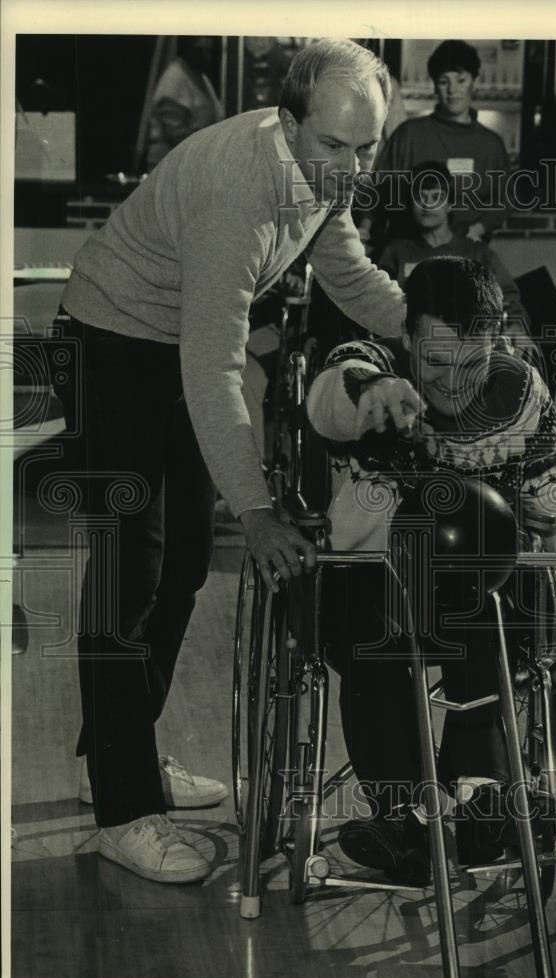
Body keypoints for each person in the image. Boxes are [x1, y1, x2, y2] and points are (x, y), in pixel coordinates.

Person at [53, 38, 407, 884]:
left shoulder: (324, 175)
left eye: (368, 150)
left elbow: (347, 273)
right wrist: (253, 509)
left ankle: (122, 748)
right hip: (111, 342)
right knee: (130, 572)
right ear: (289, 125)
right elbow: (216, 367)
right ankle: (124, 809)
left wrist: (430, 330)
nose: (352, 170)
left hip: (168, 344)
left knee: (179, 571)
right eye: (334, 148)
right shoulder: (238, 191)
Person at [306, 256, 556, 883]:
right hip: (378, 584)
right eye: (437, 362)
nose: (452, 384)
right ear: (409, 335)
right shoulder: (371, 365)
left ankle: (486, 804)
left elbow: (555, 486)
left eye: (472, 363)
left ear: (497, 341)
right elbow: (326, 402)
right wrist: (369, 388)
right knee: (378, 641)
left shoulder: (520, 386)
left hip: (483, 589)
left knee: (496, 617)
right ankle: (401, 823)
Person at [360, 40, 511, 249]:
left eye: (461, 80)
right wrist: (365, 230)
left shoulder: (490, 145)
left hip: (466, 251)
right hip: (409, 251)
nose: (453, 90)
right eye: (444, 81)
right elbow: (379, 191)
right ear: (434, 86)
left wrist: (480, 229)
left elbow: (503, 201)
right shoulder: (409, 134)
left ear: (474, 82)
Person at [376, 160, 526, 325]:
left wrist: (516, 327)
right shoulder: (396, 252)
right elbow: (376, 300)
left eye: (436, 197)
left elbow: (508, 296)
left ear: (450, 205)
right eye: (420, 197)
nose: (427, 204)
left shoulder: (476, 253)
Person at [145, 37, 225, 170]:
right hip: (168, 167)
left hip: (191, 164)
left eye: (210, 51)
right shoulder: (174, 79)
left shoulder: (201, 77)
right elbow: (175, 135)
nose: (208, 57)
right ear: (189, 49)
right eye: (202, 51)